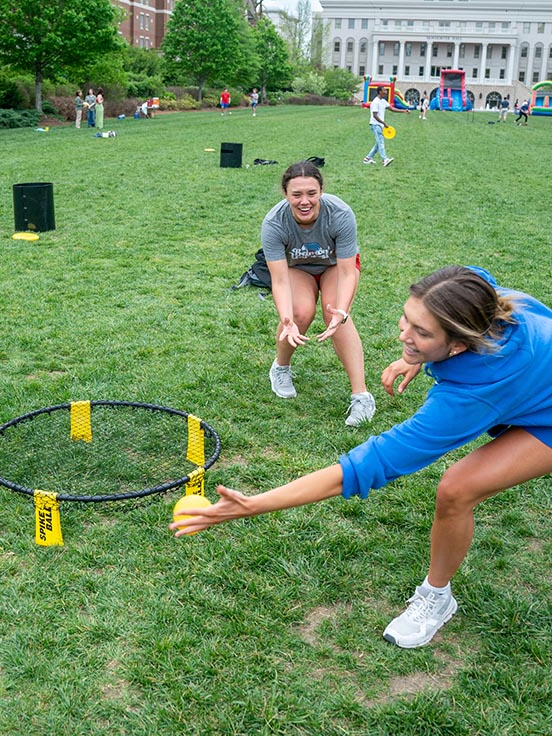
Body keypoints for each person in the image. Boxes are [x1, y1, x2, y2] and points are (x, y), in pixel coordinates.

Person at [172, 265, 552, 649]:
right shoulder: (475, 293)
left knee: (457, 488)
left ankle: (436, 598)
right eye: (408, 318)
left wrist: (255, 504)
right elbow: (475, 275)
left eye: (422, 333)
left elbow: (364, 466)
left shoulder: (470, 395)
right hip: (531, 377)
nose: (404, 333)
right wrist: (417, 355)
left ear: (457, 345)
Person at [262, 161, 375, 427]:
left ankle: (361, 396)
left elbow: (348, 272)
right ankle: (281, 368)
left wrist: (343, 311)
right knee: (299, 313)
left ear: (321, 191)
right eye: (296, 194)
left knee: (334, 313)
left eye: (311, 193)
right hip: (297, 269)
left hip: (336, 266)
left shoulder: (340, 214)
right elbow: (278, 280)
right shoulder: (274, 222)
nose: (304, 201)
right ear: (285, 194)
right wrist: (286, 318)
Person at [363, 85, 409, 167]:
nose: (386, 92)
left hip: (380, 125)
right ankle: (385, 160)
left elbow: (392, 109)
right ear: (380, 91)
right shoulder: (375, 102)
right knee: (381, 142)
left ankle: (368, 158)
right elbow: (374, 115)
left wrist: (403, 111)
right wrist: (383, 123)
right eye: (384, 90)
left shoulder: (383, 101)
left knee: (378, 143)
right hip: (375, 124)